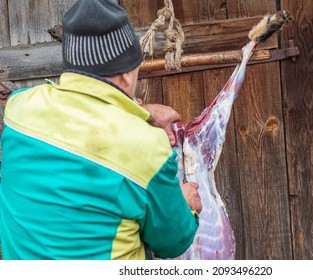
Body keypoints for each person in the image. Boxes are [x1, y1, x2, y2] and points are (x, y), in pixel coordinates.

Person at [0, 0, 201, 260]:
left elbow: (75, 110)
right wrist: (186, 207)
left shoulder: (19, 108)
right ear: (128, 75)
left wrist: (144, 112)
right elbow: (172, 242)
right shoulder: (147, 147)